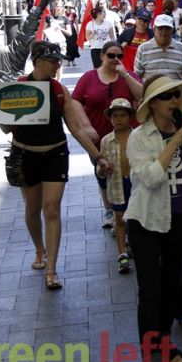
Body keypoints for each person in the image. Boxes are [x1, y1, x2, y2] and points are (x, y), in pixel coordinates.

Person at [0, 41, 103, 289]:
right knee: (32, 208)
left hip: (55, 153)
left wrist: (97, 156)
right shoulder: (19, 87)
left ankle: (52, 270)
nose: (58, 64)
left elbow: (75, 128)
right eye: (54, 60)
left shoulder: (58, 90)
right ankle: (39, 249)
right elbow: (6, 128)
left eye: (59, 60)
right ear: (38, 61)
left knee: (52, 208)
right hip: (25, 155)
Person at [124, 75, 182, 362]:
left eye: (175, 96)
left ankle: (165, 343)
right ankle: (151, 359)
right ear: (153, 104)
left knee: (172, 288)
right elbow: (151, 178)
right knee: (150, 292)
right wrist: (171, 145)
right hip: (145, 222)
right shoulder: (139, 137)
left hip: (178, 221)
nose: (174, 102)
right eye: (167, 97)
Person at [72, 41, 143, 230]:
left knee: (128, 172)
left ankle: (129, 208)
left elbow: (141, 95)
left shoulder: (127, 76)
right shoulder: (89, 77)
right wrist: (86, 125)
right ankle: (109, 209)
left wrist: (125, 75)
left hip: (127, 136)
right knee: (104, 173)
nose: (115, 59)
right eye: (111, 55)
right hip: (98, 138)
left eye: (119, 55)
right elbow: (75, 101)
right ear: (102, 56)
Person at [97, 98, 137, 274]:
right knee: (120, 219)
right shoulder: (106, 140)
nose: (119, 119)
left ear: (130, 117)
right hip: (117, 184)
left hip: (136, 184)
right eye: (115, 116)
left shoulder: (138, 136)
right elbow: (101, 167)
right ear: (110, 118)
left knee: (137, 219)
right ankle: (122, 254)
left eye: (123, 115)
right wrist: (103, 169)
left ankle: (136, 247)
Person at [134, 14, 182, 81]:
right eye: (160, 28)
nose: (164, 31)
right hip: (152, 91)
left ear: (172, 30)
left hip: (175, 90)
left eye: (167, 28)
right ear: (154, 29)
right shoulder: (143, 49)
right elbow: (137, 75)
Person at [118, 8, 153, 73]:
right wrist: (121, 47)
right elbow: (115, 47)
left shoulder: (152, 34)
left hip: (146, 68)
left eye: (145, 21)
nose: (142, 23)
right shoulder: (127, 32)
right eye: (140, 19)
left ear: (149, 22)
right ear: (136, 19)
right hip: (128, 69)